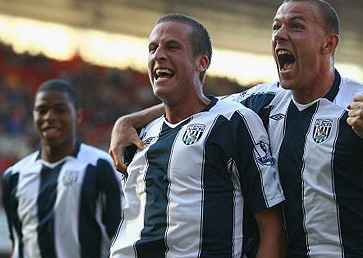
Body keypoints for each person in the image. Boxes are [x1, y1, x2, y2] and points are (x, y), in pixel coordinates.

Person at [109, 0, 363, 258]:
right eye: (276, 27)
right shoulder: (262, 101)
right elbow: (199, 103)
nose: (280, 35)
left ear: (328, 44)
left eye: (296, 26)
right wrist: (130, 121)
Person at [108, 13, 286, 258]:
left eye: (172, 47)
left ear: (201, 62)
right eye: (152, 48)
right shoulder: (138, 135)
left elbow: (272, 226)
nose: (158, 55)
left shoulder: (232, 122)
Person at [1, 79, 123, 258]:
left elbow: (122, 236)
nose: (49, 117)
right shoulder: (14, 176)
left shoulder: (100, 166)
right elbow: (18, 244)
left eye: (60, 110)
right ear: (33, 115)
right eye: (42, 110)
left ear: (78, 116)